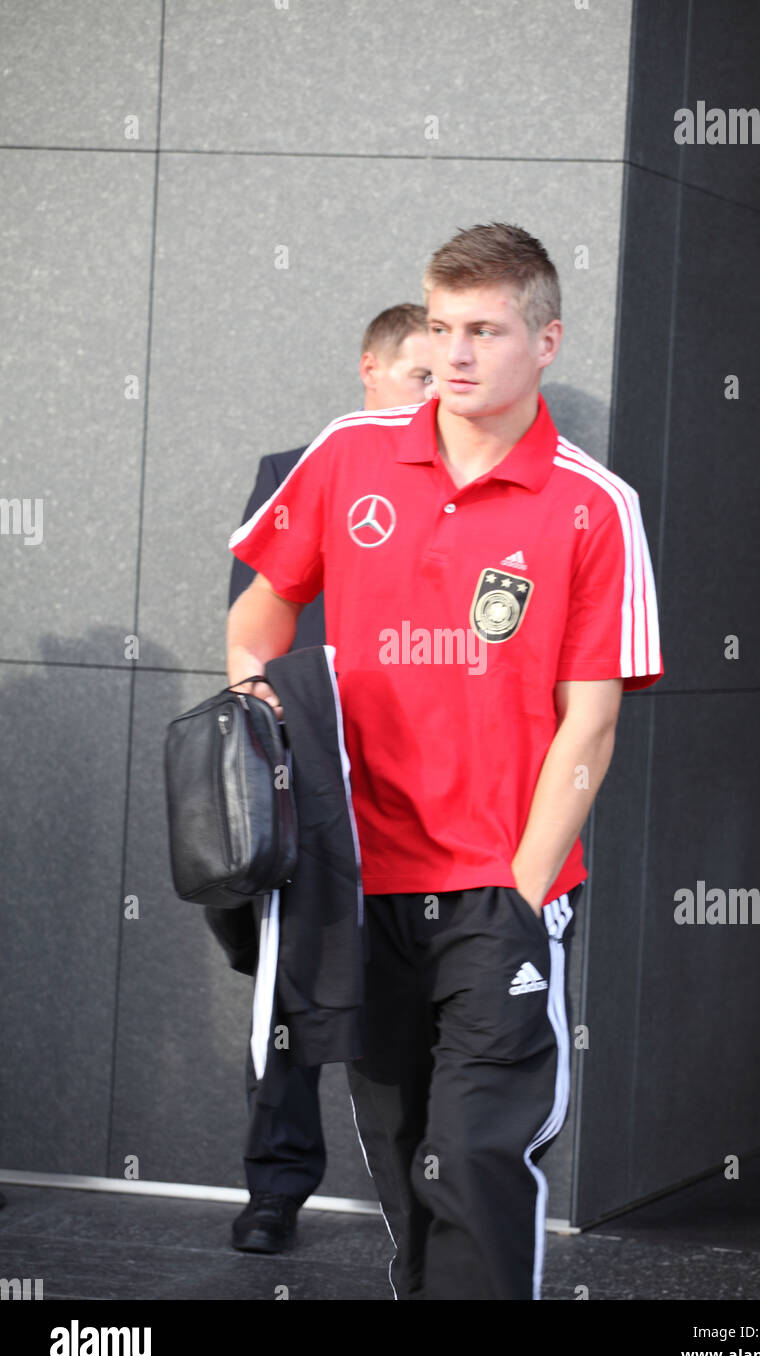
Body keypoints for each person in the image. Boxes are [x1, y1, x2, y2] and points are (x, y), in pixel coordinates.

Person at [225, 224, 663, 1298]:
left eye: (485, 329)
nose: (456, 352)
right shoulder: (348, 455)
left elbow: (589, 726)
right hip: (357, 884)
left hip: (496, 893)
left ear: (544, 340)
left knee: (473, 1156)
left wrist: (521, 894)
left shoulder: (591, 505)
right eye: (440, 325)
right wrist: (270, 752)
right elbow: (256, 620)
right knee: (404, 1160)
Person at [217, 304, 431, 1256]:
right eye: (419, 374)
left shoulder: (465, 481)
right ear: (370, 372)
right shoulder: (299, 474)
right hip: (311, 782)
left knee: (407, 1013)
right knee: (291, 999)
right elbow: (252, 639)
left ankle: (426, 1220)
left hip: (420, 793)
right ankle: (276, 1193)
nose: (439, 390)